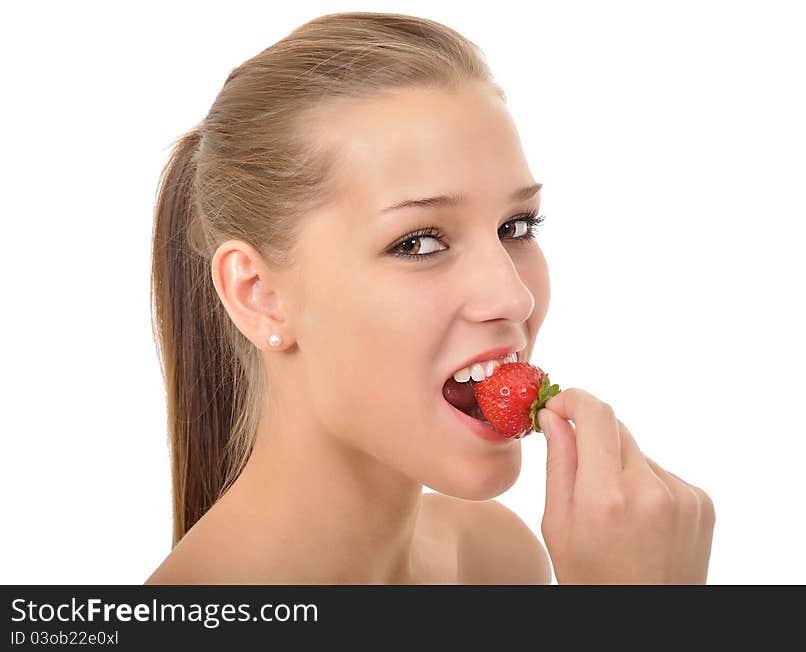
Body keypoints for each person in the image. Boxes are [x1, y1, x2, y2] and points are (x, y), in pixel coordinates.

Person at [145, 11, 715, 585]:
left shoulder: (494, 561)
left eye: (516, 227)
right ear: (259, 295)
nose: (512, 298)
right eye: (418, 242)